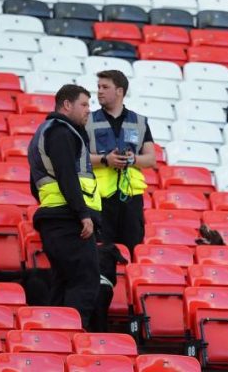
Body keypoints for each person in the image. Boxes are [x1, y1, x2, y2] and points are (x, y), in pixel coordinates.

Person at [28, 84, 102, 330]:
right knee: (85, 281)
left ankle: (55, 339)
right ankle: (74, 337)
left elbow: (35, 185)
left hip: (55, 218)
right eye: (84, 104)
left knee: (62, 284)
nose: (88, 111)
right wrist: (82, 214)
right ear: (66, 105)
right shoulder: (61, 132)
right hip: (69, 219)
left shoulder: (44, 132)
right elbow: (67, 175)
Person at [86, 70, 156, 255]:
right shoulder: (87, 120)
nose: (99, 91)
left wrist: (132, 159)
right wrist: (105, 160)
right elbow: (78, 157)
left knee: (132, 250)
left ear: (119, 91)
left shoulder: (140, 121)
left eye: (105, 87)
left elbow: (151, 158)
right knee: (100, 251)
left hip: (130, 198)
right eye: (98, 87)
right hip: (99, 197)